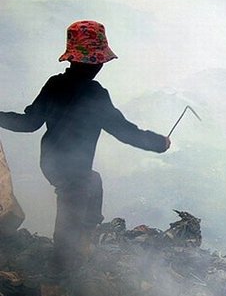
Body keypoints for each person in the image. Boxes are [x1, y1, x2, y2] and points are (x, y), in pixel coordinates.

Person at [0, 20, 171, 275]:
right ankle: (58, 280)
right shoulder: (95, 95)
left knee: (94, 182)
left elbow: (29, 123)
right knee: (68, 226)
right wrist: (159, 143)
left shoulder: (54, 85)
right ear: (97, 62)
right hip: (73, 173)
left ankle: (83, 239)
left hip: (51, 163)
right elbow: (124, 131)